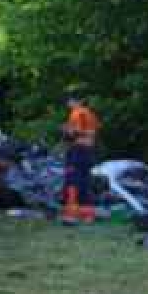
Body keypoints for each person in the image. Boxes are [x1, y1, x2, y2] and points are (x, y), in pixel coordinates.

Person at [61, 94, 100, 225]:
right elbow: (93, 132)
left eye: (69, 101)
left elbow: (74, 133)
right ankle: (88, 215)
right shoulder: (91, 114)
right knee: (85, 181)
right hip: (89, 151)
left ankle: (71, 215)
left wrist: (66, 131)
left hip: (77, 150)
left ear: (76, 101)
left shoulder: (77, 113)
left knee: (72, 180)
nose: (68, 104)